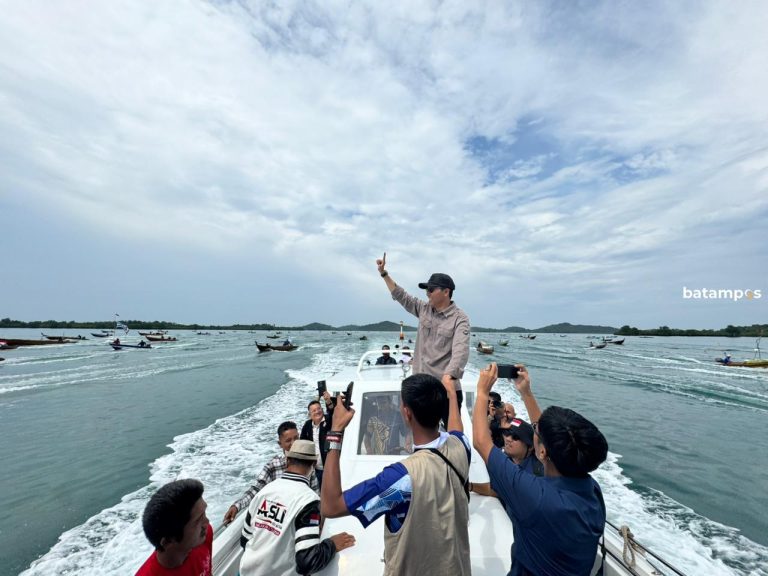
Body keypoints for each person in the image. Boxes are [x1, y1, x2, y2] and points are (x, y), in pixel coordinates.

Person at [321, 373, 471, 575]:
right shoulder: (461, 448)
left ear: (406, 413)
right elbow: (456, 429)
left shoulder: (401, 479)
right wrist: (452, 396)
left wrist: (336, 430)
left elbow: (330, 506)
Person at [472, 363, 608, 576]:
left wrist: (481, 393)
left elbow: (481, 442)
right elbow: (545, 438)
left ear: (543, 452)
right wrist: (526, 393)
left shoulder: (536, 496)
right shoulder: (592, 490)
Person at [376, 252, 470, 425]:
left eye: (431, 289)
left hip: (444, 388)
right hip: (420, 386)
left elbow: (460, 351)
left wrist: (449, 376)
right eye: (426, 289)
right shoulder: (424, 309)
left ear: (446, 292)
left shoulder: (460, 318)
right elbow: (401, 295)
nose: (427, 293)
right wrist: (384, 274)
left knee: (453, 435)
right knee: (420, 430)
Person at [239, 440, 356, 576]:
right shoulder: (309, 501)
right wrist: (332, 544)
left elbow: (245, 540)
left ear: (287, 460)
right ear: (313, 465)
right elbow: (308, 562)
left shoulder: (264, 492)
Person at [222, 421, 319, 536]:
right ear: (280, 444)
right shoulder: (273, 465)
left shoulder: (307, 465)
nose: (293, 443)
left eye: (296, 438)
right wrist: (237, 506)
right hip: (278, 522)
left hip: (300, 518)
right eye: (288, 440)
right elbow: (256, 489)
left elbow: (315, 492)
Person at [136, 478, 212, 576]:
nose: (207, 522)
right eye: (198, 520)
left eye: (204, 513)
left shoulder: (205, 535)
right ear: (167, 541)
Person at [300, 393, 335, 487]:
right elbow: (302, 442)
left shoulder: (329, 420)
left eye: (319, 409)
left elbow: (333, 413)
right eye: (314, 410)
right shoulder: (307, 425)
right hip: (315, 469)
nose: (317, 412)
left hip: (330, 467)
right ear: (310, 414)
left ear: (322, 410)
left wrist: (328, 401)